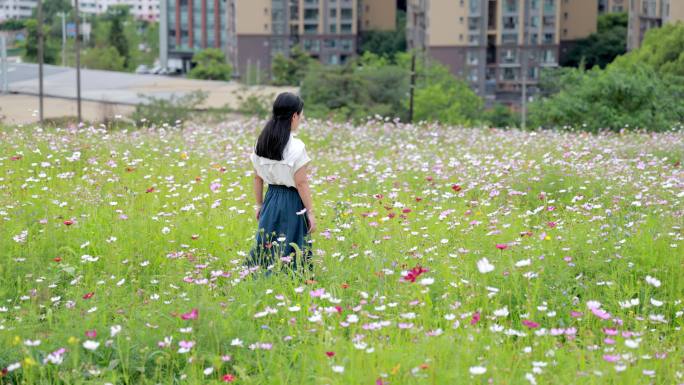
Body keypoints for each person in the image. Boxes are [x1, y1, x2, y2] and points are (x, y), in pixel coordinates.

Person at [246, 92, 316, 275]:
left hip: (270, 199)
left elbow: (257, 177)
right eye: (300, 116)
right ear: (294, 116)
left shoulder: (261, 142)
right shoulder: (296, 146)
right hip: (292, 202)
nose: (300, 120)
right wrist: (310, 212)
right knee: (293, 247)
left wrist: (259, 204)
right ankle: (292, 283)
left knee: (266, 245)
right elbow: (301, 183)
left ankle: (259, 279)